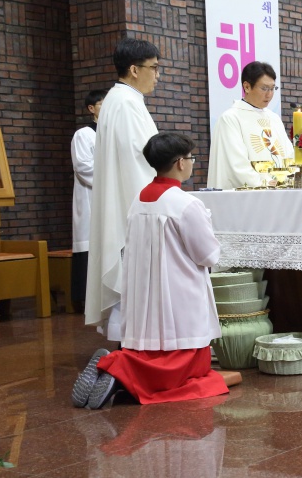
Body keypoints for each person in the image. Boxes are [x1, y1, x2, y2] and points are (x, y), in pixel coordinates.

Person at [72, 133, 232, 410]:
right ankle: (116, 369)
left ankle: (117, 367)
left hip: (145, 296)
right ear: (180, 163)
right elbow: (207, 255)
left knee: (154, 351)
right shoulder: (185, 203)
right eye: (191, 158)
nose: (192, 164)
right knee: (190, 373)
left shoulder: (139, 200)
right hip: (179, 293)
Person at [86, 38, 161, 341]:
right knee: (133, 276)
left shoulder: (118, 100)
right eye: (154, 68)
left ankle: (129, 339)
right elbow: (138, 159)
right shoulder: (127, 104)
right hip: (135, 202)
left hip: (124, 201)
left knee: (130, 279)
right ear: (133, 69)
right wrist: (161, 193)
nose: (157, 75)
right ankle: (132, 342)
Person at [206, 61, 295, 189]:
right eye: (264, 88)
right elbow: (236, 164)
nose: (269, 94)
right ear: (247, 87)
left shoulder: (274, 118)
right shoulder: (231, 118)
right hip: (251, 196)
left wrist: (288, 180)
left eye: (272, 88)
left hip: (281, 191)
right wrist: (265, 184)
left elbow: (289, 155)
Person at [71, 88, 108, 314]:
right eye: (102, 104)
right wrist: (113, 174)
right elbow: (84, 167)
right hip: (91, 197)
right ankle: (86, 299)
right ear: (91, 109)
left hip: (111, 199)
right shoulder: (84, 134)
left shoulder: (114, 133)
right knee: (91, 244)